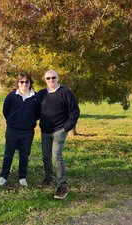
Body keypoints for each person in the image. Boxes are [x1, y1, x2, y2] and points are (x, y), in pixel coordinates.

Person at [37, 70, 80, 199]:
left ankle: (62, 186)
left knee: (56, 156)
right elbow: (35, 110)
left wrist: (67, 127)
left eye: (53, 77)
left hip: (59, 130)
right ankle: (48, 178)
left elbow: (75, 111)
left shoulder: (65, 92)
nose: (51, 80)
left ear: (58, 78)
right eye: (48, 78)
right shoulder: (41, 94)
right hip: (45, 130)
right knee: (46, 155)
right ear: (45, 79)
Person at [0, 72, 38, 187]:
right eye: (22, 82)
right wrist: (13, 121)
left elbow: (38, 113)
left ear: (30, 83)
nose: (24, 84)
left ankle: (22, 177)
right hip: (12, 130)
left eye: (27, 82)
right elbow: (6, 111)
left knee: (24, 155)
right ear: (18, 83)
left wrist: (29, 121)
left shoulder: (36, 97)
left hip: (28, 132)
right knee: (8, 154)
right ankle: (3, 176)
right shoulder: (11, 96)